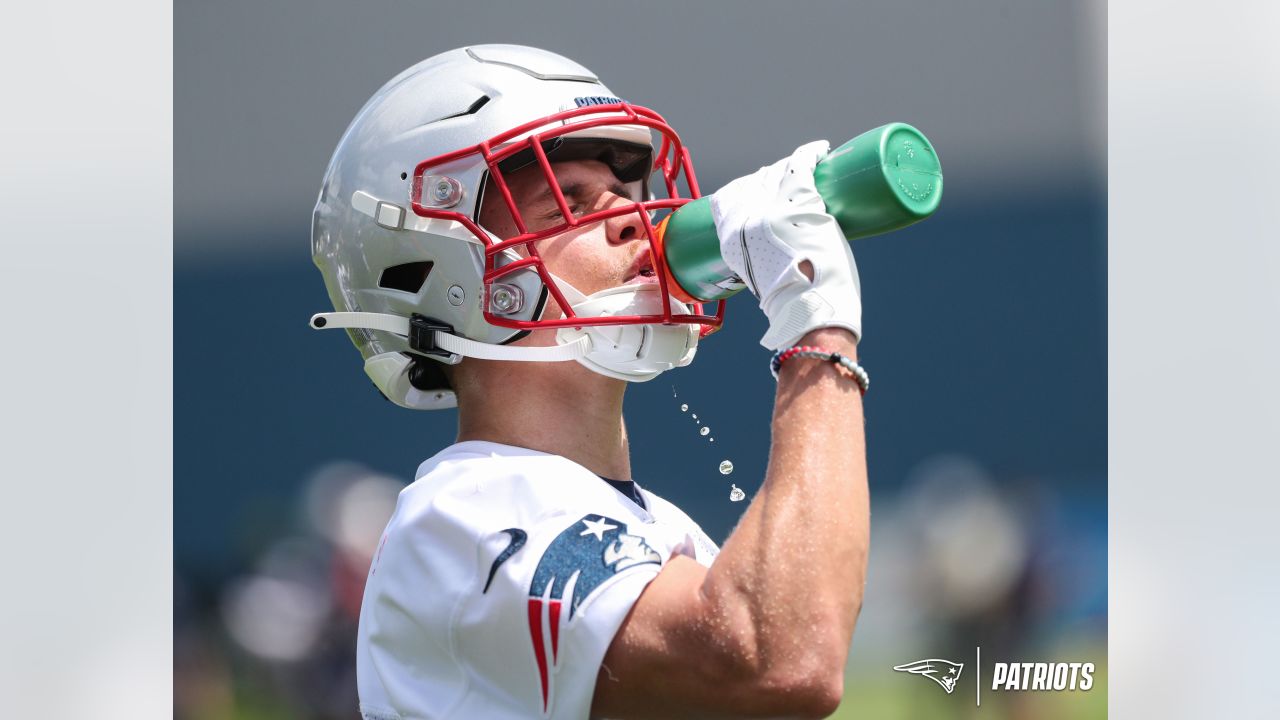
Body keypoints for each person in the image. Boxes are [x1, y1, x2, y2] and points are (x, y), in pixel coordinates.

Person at [312, 44, 870, 720]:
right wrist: (819, 331)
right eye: (568, 200)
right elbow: (780, 660)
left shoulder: (658, 523)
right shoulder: (462, 513)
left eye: (625, 193)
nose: (636, 217)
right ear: (440, 269)